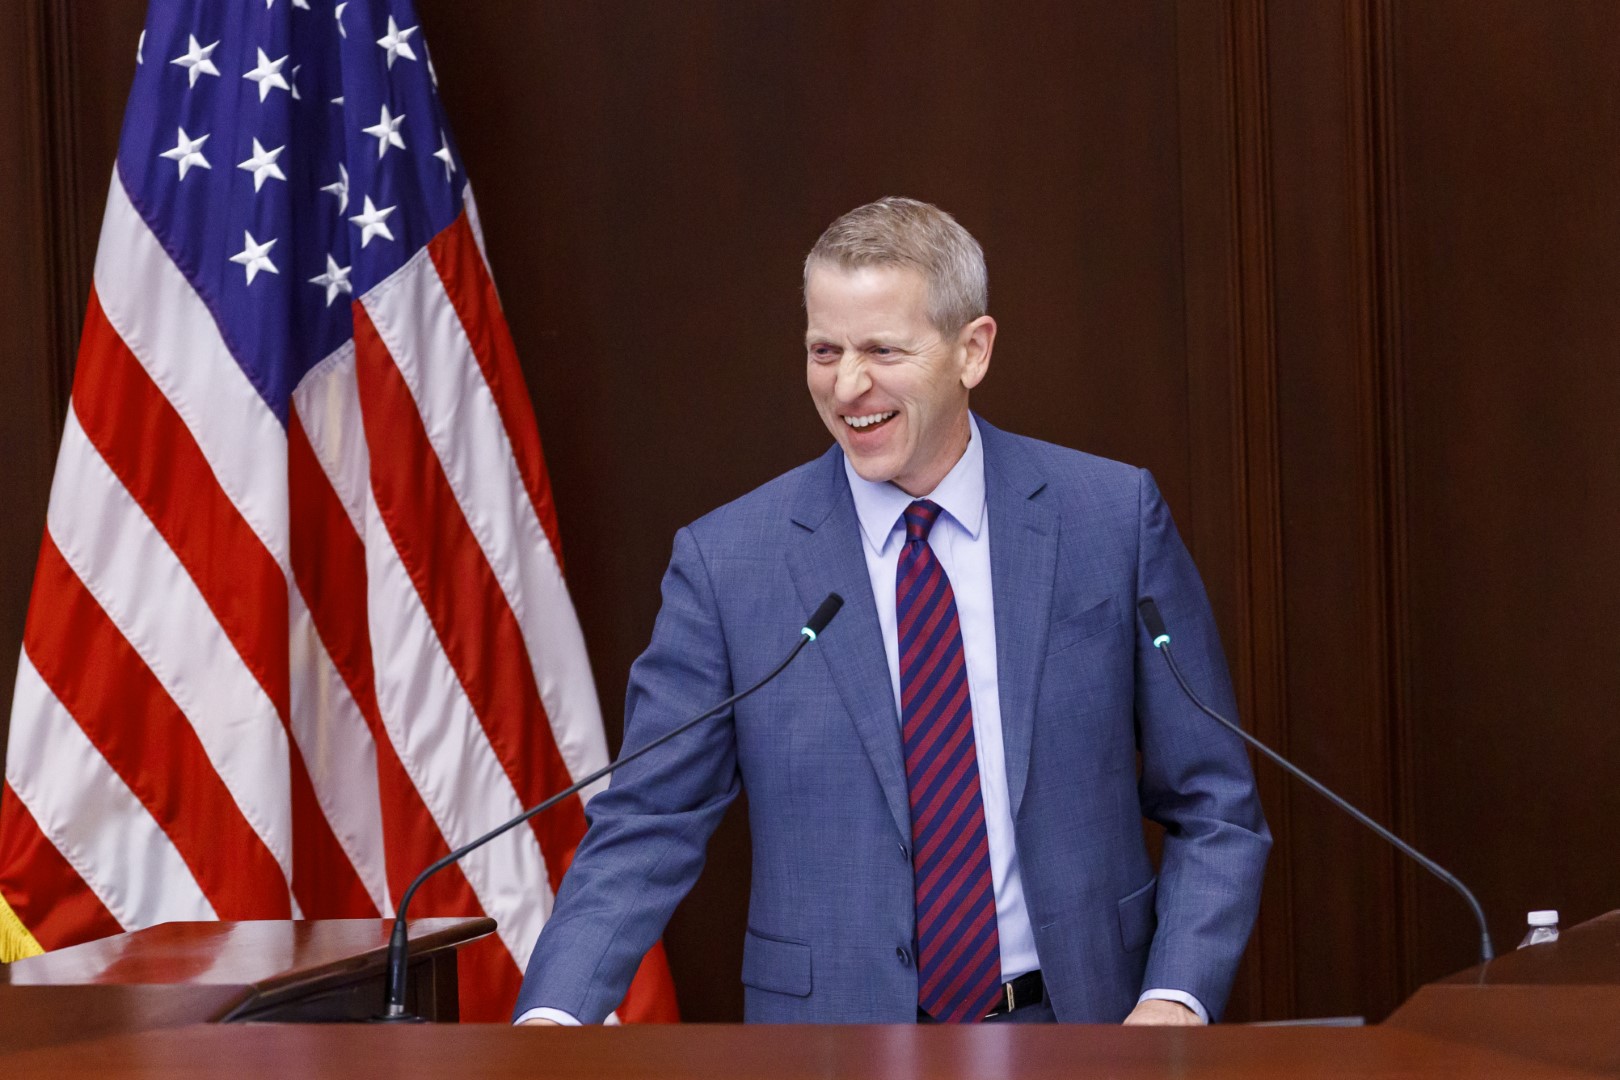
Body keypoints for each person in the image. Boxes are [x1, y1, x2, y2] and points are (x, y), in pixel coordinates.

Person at [515, 197, 1269, 1026]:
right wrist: (552, 1022)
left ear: (972, 350)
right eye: (825, 351)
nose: (847, 386)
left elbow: (1214, 804)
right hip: (829, 1047)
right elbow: (645, 823)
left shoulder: (1110, 520)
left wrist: (1173, 1001)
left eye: (882, 350)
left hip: (1080, 1032)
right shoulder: (728, 563)